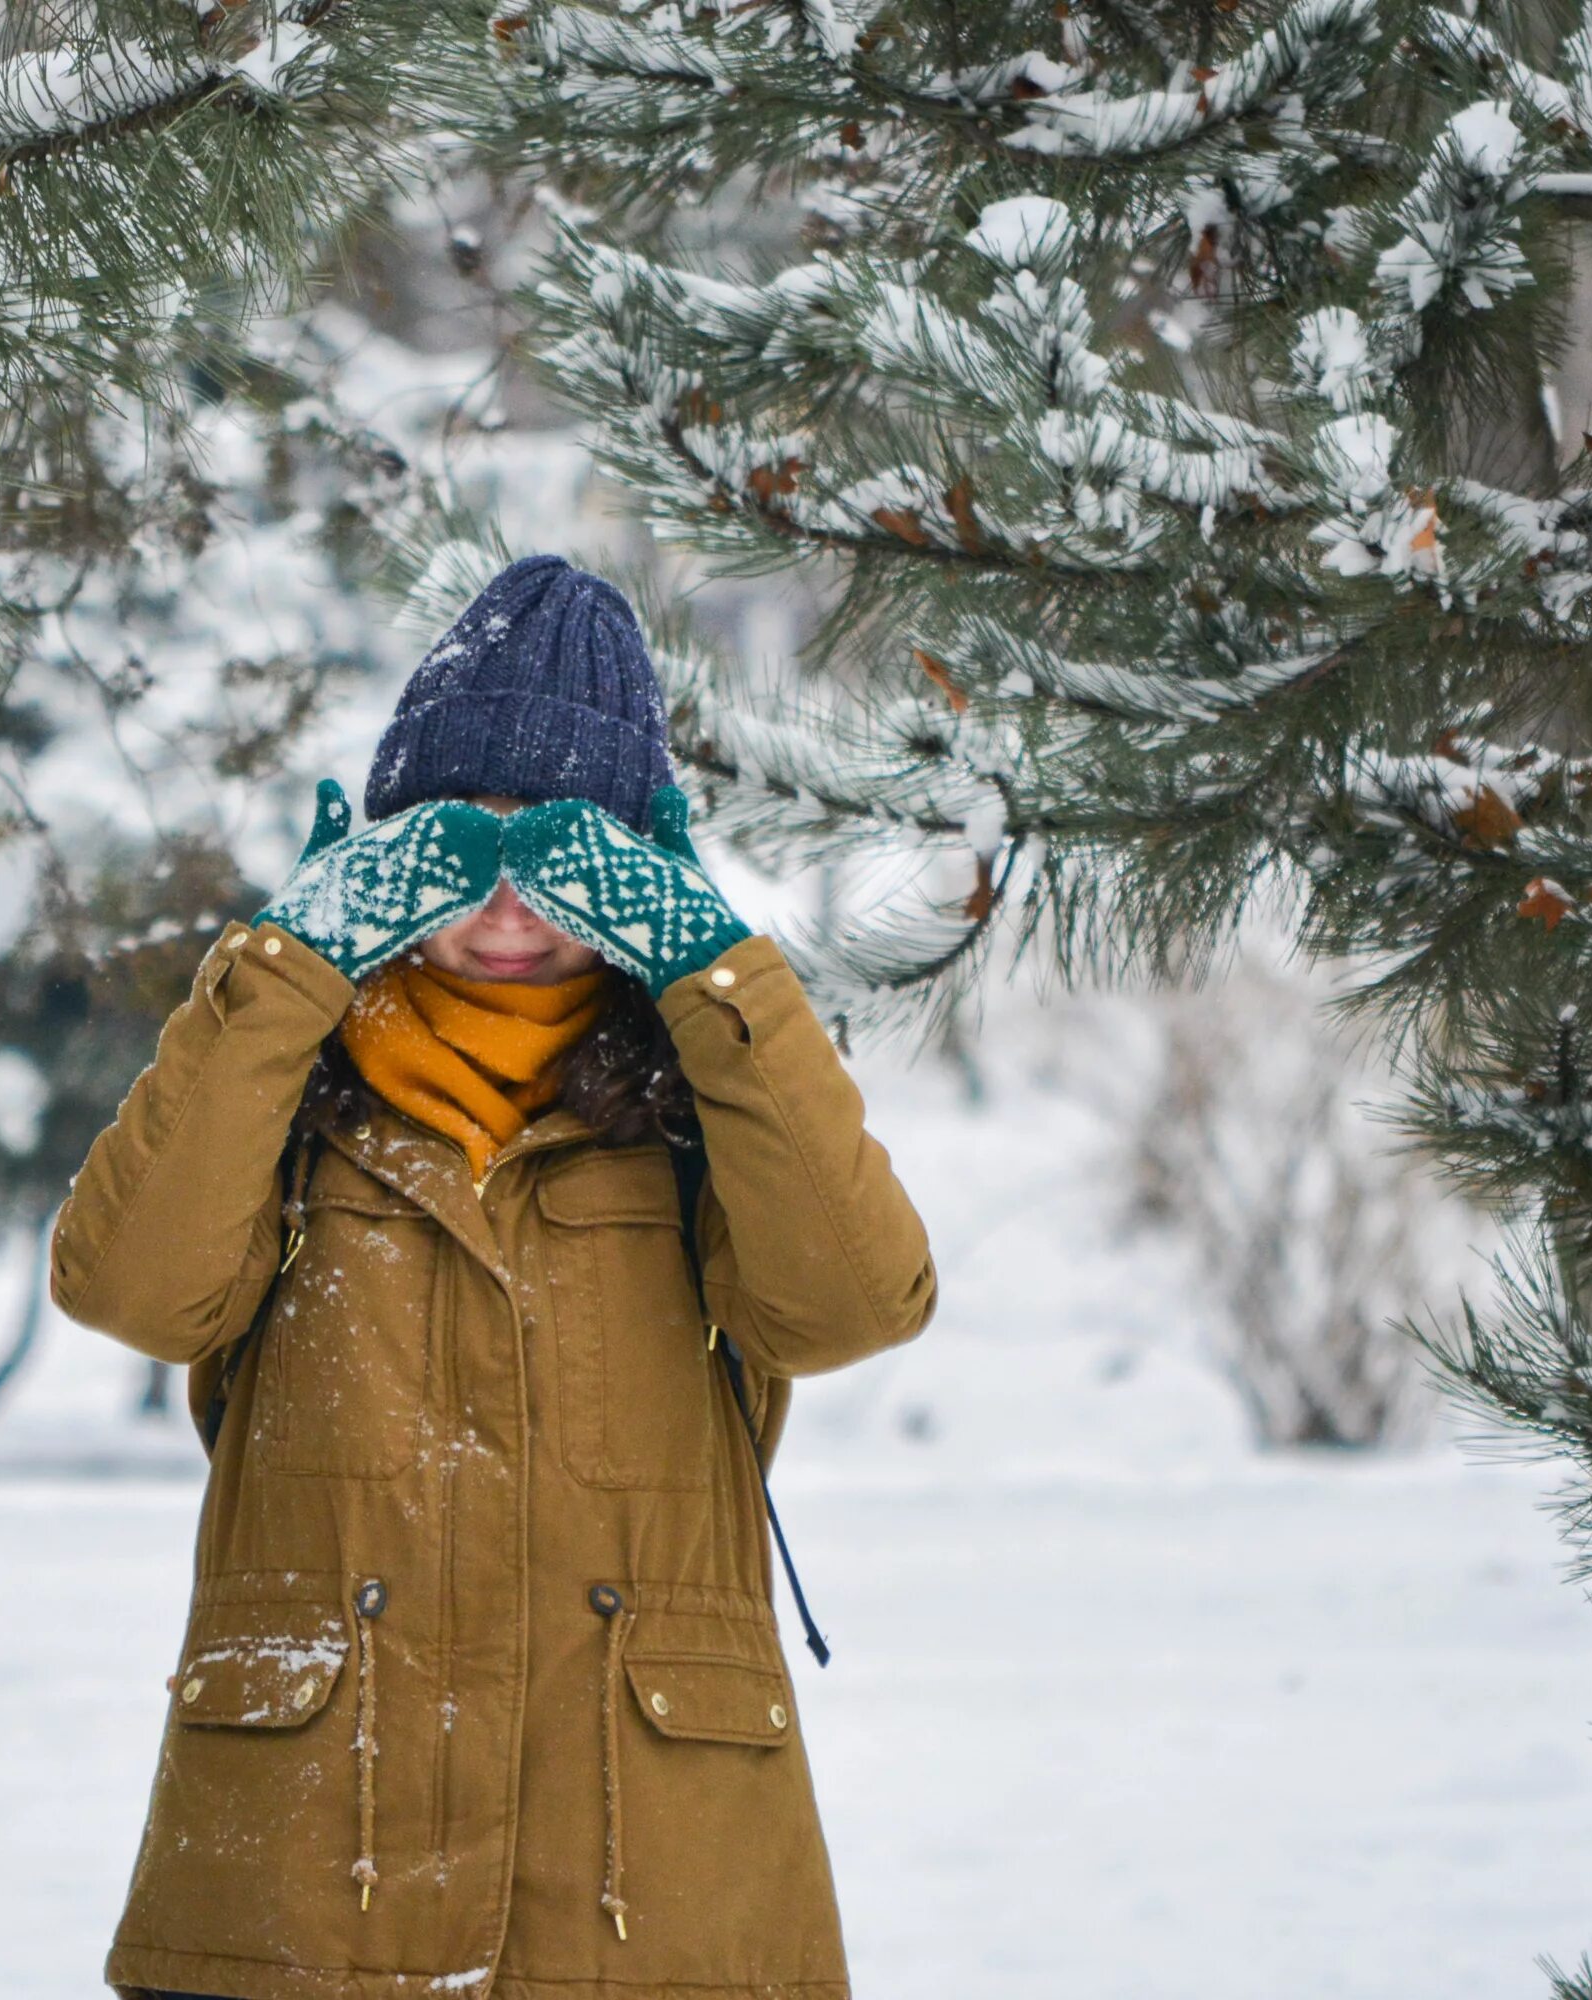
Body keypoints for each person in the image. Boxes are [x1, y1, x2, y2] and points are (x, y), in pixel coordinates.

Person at [51, 554, 937, 2000]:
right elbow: (133, 1293)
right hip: (303, 1900)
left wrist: (715, 972)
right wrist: (290, 964)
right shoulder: (290, 1082)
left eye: (569, 841)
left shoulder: (703, 1101)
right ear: (398, 841)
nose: (514, 890)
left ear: (640, 855)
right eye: (473, 834)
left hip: (646, 1897)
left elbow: (855, 1302)